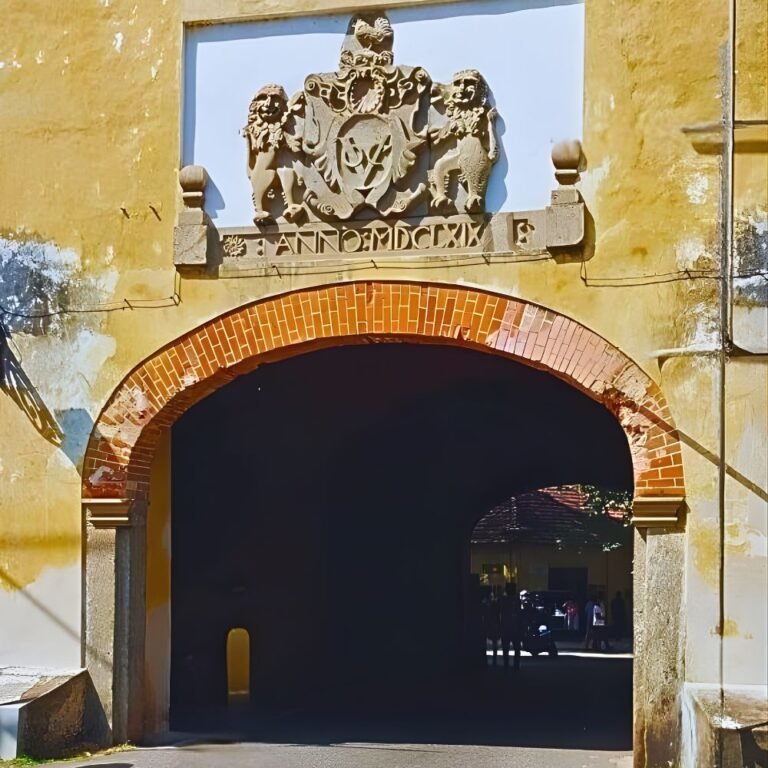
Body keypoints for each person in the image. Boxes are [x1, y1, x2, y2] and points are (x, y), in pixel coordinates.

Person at [499, 582, 523, 670]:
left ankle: (506, 666)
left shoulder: (503, 600)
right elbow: (520, 615)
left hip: (505, 628)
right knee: (517, 649)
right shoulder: (516, 600)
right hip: (515, 628)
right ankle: (516, 666)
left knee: (506, 649)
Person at [481, 592, 501, 666]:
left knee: (491, 642)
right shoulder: (494, 605)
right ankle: (494, 660)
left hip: (489, 625)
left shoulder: (485, 606)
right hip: (493, 625)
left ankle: (491, 659)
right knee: (494, 643)